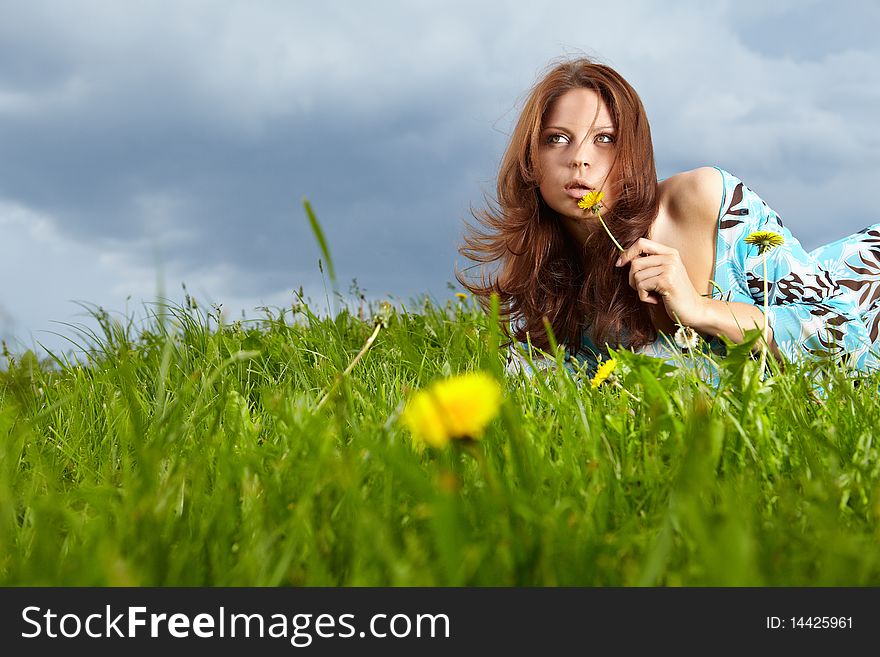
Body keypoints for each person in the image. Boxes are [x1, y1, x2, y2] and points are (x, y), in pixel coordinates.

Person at [456, 57, 880, 382]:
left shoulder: (699, 199)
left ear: (633, 154)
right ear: (532, 158)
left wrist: (699, 310)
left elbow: (845, 339)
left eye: (605, 139)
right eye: (557, 139)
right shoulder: (547, 279)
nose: (580, 159)